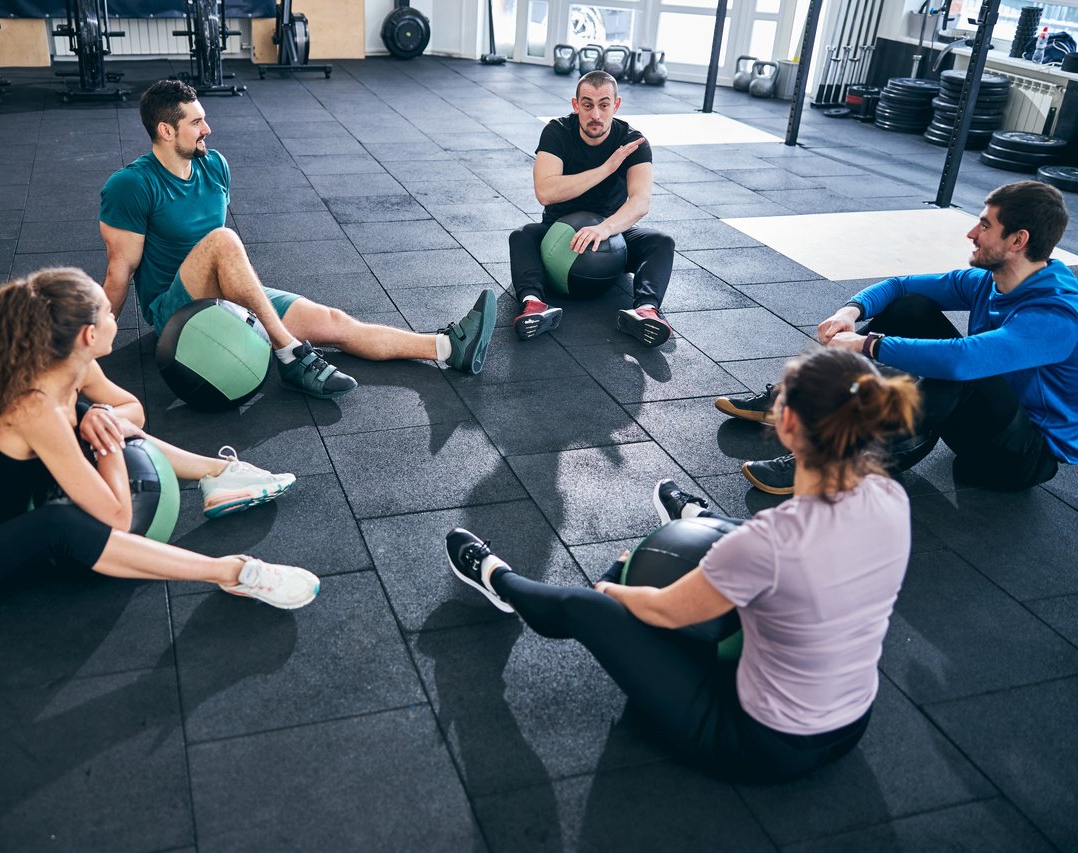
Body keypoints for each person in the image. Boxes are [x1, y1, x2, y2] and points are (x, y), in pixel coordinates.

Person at [444, 349, 919, 783]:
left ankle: (496, 579)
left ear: (788, 423)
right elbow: (794, 552)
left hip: (758, 743)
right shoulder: (891, 499)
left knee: (587, 608)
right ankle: (699, 519)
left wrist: (615, 583)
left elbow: (663, 611)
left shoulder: (770, 541)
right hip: (852, 724)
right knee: (754, 558)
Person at [0, 267, 319, 614]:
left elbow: (130, 409)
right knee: (60, 524)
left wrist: (101, 418)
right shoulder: (34, 407)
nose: (114, 317)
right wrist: (108, 440)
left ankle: (219, 474)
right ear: (87, 335)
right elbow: (118, 517)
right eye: (106, 312)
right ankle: (233, 572)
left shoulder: (66, 371)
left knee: (93, 419)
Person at [100, 79, 495, 400]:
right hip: (174, 314)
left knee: (335, 322)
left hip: (223, 292)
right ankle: (290, 355)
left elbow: (225, 261)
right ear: (167, 131)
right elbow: (120, 271)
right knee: (223, 240)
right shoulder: (131, 185)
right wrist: (93, 344)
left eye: (204, 119)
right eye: (196, 123)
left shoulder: (214, 165)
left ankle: (445, 348)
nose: (208, 129)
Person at [722, 180, 1077, 495]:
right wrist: (851, 310)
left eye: (985, 225)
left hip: (1020, 458)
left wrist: (868, 343)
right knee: (912, 309)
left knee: (956, 373)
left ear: (1018, 240)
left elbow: (961, 361)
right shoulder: (991, 280)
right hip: (983, 420)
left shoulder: (1055, 315)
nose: (972, 233)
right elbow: (900, 286)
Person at [509, 69, 675, 347]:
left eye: (603, 105)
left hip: (610, 237)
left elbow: (641, 201)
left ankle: (646, 310)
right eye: (587, 105)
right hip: (557, 233)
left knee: (661, 242)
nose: (595, 114)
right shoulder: (557, 132)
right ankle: (533, 304)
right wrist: (606, 168)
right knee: (522, 236)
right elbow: (546, 192)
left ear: (616, 105)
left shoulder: (633, 141)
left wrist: (604, 229)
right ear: (576, 105)